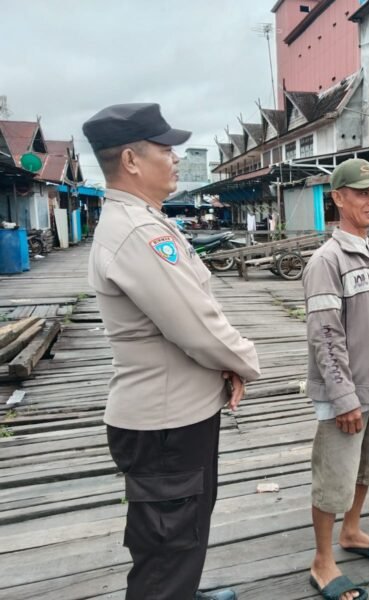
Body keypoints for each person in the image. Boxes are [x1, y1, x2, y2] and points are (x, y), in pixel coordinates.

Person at [84, 103, 261, 600]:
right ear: (131, 160)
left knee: (180, 533)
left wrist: (225, 368)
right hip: (165, 425)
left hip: (179, 413)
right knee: (166, 547)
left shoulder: (143, 221)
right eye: (165, 149)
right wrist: (245, 362)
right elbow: (197, 326)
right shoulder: (139, 232)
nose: (175, 157)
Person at [302, 158, 369, 600]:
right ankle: (323, 561)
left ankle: (352, 531)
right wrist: (344, 398)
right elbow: (325, 334)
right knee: (334, 476)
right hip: (345, 392)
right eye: (362, 192)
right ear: (338, 198)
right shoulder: (327, 260)